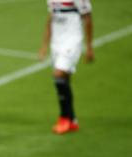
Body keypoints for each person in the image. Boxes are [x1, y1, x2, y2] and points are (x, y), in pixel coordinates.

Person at [39, 0, 94, 134]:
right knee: (65, 80)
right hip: (56, 43)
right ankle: (72, 120)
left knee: (58, 76)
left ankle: (64, 118)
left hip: (72, 40)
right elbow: (50, 19)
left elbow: (88, 18)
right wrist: (44, 45)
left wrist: (89, 47)